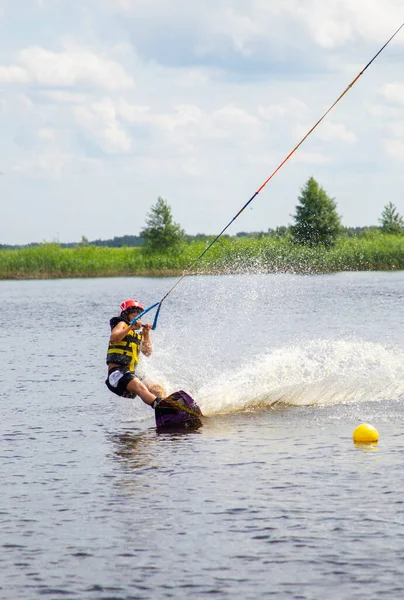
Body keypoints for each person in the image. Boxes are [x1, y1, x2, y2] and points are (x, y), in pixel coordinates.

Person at [105, 299, 164, 408]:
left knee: (157, 389)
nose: (137, 316)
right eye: (133, 314)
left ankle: (169, 407)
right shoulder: (121, 324)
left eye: (139, 314)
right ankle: (162, 407)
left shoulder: (136, 334)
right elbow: (114, 338)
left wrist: (146, 334)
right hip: (117, 375)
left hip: (130, 374)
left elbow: (147, 353)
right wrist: (131, 326)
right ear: (126, 315)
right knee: (139, 386)